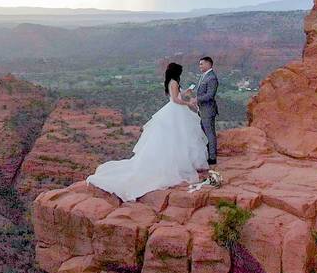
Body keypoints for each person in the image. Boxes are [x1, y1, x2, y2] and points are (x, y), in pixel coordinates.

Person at [86, 62, 209, 202]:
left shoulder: (172, 82)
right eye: (180, 71)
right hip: (175, 111)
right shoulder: (174, 82)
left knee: (177, 138)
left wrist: (185, 93)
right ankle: (176, 165)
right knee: (177, 138)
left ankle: (181, 163)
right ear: (176, 72)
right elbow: (175, 100)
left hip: (174, 111)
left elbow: (177, 95)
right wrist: (188, 103)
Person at [188, 56, 218, 165]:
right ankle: (207, 154)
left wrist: (197, 99)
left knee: (209, 133)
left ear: (208, 64)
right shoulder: (204, 76)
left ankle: (212, 157)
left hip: (208, 110)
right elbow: (201, 91)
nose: (200, 66)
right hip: (202, 110)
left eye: (201, 64)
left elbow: (210, 95)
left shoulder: (212, 78)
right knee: (205, 133)